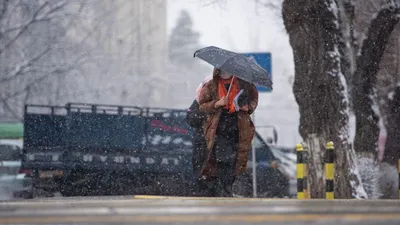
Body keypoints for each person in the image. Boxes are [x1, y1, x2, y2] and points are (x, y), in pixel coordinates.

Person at [197, 68, 258, 197]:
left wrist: (247, 107)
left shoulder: (244, 85)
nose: (225, 72)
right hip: (220, 128)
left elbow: (253, 99)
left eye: (228, 70)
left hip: (239, 128)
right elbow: (202, 106)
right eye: (222, 70)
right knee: (223, 159)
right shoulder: (211, 85)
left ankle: (227, 187)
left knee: (236, 161)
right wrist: (217, 103)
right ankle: (225, 188)